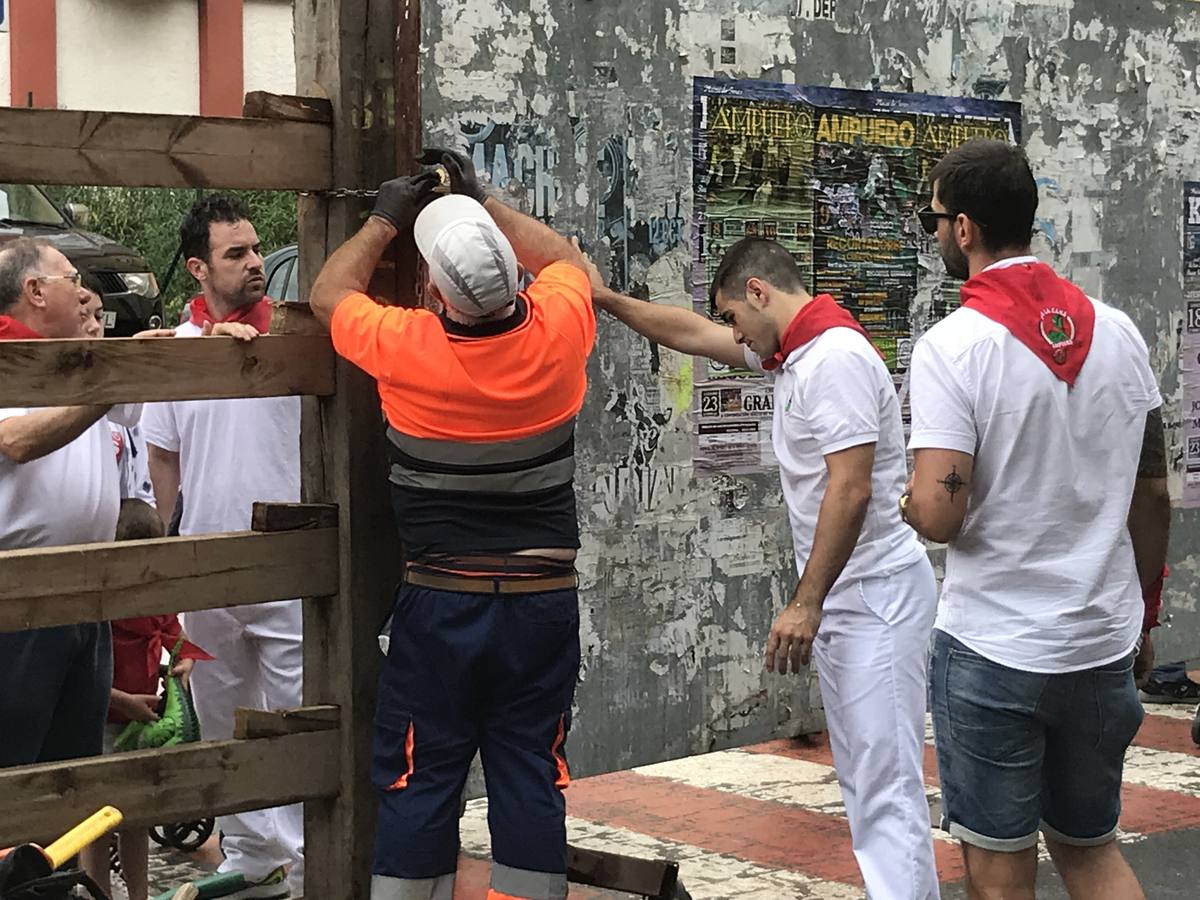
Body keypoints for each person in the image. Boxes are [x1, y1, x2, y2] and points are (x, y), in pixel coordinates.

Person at [591, 238, 940, 898]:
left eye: (734, 317)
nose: (732, 333)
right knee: (869, 785)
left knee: (886, 788)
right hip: (853, 595)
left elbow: (851, 488)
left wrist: (805, 603)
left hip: (875, 597)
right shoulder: (797, 351)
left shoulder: (831, 358)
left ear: (759, 293)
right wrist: (607, 300)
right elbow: (690, 332)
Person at [308, 148, 595, 900]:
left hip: (440, 604)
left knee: (418, 774)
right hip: (541, 602)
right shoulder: (562, 331)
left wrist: (382, 220)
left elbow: (328, 294)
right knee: (530, 770)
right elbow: (567, 261)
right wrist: (481, 200)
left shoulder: (409, 348)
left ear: (434, 293)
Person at [902, 139, 1168, 900]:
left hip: (994, 647)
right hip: (1098, 641)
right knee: (1091, 851)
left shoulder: (953, 347)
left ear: (963, 229)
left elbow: (941, 514)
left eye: (933, 221)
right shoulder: (1119, 334)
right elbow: (1152, 495)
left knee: (997, 871)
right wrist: (1144, 618)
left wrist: (906, 500)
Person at [143, 195, 302, 900]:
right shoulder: (177, 352)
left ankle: (312, 855)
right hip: (208, 559)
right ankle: (252, 854)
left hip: (294, 558)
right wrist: (165, 569)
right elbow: (163, 464)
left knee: (302, 710)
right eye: (236, 254)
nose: (256, 263)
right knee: (221, 713)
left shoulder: (293, 342)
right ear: (199, 268)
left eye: (257, 249)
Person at [0, 238, 141, 768]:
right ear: (35, 291)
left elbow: (129, 408)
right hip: (21, 599)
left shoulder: (75, 362)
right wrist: (102, 387)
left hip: (87, 591)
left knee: (73, 770)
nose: (86, 295)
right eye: (72, 281)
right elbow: (17, 441)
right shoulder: (6, 361)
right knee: (15, 764)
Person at [79, 499, 208, 900]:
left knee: (138, 812)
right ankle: (97, 890)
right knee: (97, 817)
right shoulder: (95, 604)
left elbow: (174, 633)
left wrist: (184, 659)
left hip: (144, 720)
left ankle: (139, 894)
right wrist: (117, 699)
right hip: (103, 717)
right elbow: (82, 675)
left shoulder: (152, 596)